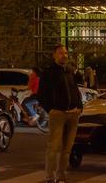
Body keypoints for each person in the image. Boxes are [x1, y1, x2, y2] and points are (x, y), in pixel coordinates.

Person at [38, 45, 83, 183]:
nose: (64, 55)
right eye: (61, 53)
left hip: (73, 114)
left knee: (67, 148)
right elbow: (42, 94)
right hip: (58, 113)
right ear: (54, 55)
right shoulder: (49, 72)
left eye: (65, 53)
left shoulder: (69, 71)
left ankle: (61, 176)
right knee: (54, 147)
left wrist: (79, 107)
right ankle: (50, 177)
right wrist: (50, 109)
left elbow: (75, 90)